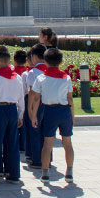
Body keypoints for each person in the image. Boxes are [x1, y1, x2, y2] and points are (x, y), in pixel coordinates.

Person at [30, 48, 74, 184]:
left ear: (45, 61)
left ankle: (45, 173)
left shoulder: (41, 78)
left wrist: (34, 115)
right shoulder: (66, 77)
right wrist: (72, 116)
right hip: (64, 110)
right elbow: (70, 98)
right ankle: (69, 171)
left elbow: (37, 99)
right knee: (67, 142)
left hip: (49, 111)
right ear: (60, 62)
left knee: (47, 143)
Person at [0, 46, 25, 186]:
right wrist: (20, 115)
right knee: (12, 143)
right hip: (13, 109)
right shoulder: (17, 78)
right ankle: (13, 174)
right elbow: (21, 98)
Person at [26, 44, 48, 169]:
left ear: (34, 57)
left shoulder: (32, 72)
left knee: (35, 131)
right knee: (47, 133)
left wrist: (30, 109)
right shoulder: (49, 70)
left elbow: (31, 93)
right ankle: (48, 159)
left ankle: (37, 159)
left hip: (37, 104)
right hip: (49, 103)